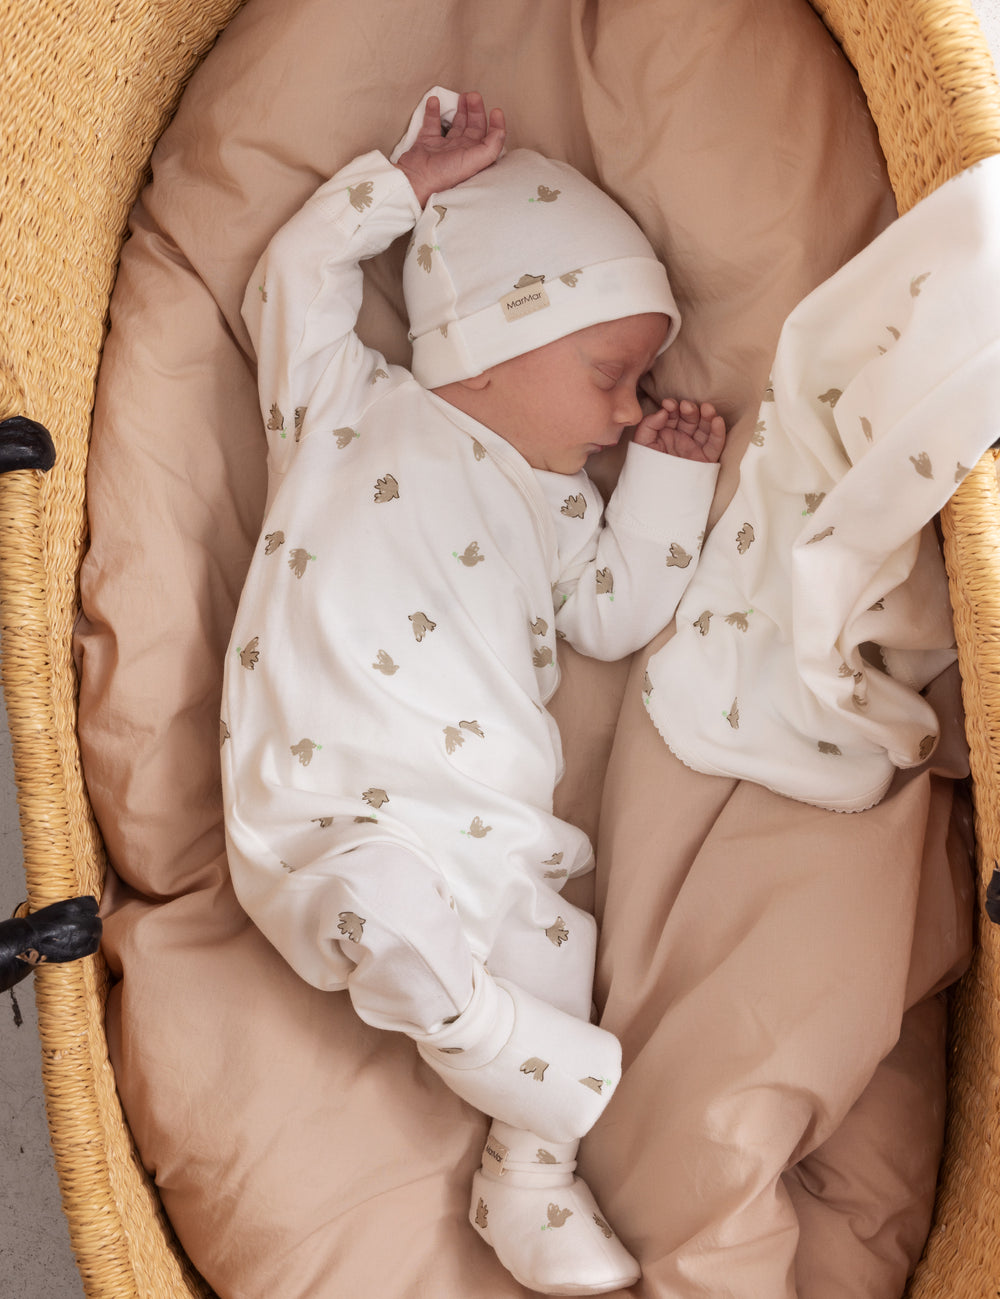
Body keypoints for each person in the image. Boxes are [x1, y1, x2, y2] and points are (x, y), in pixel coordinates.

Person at [220, 88, 725, 1296]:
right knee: (385, 904)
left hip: (494, 828)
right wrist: (407, 186)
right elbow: (292, 277)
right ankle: (489, 1043)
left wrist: (663, 486)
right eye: (614, 372)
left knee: (562, 945)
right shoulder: (345, 408)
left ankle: (528, 1175)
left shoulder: (560, 510)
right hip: (329, 806)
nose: (626, 410)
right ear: (495, 336)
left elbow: (615, 616)